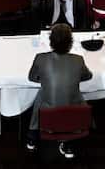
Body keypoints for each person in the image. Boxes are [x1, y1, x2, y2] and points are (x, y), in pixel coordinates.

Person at [26, 24, 93, 158]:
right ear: (70, 42)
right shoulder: (78, 59)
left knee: (41, 94)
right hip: (72, 111)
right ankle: (68, 142)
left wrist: (47, 80)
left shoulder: (40, 58)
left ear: (51, 41)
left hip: (47, 111)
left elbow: (32, 77)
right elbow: (88, 76)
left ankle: (32, 137)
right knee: (74, 95)